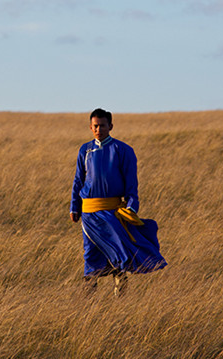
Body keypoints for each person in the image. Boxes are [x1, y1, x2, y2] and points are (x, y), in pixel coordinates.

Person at [70, 108, 166, 296]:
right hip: (89, 213)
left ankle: (120, 286)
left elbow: (131, 182)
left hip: (113, 211)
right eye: (95, 126)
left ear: (111, 126)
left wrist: (131, 205)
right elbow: (78, 180)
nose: (99, 129)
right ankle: (89, 293)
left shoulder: (123, 150)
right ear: (90, 127)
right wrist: (74, 206)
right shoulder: (85, 150)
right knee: (90, 251)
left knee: (116, 247)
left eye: (103, 125)